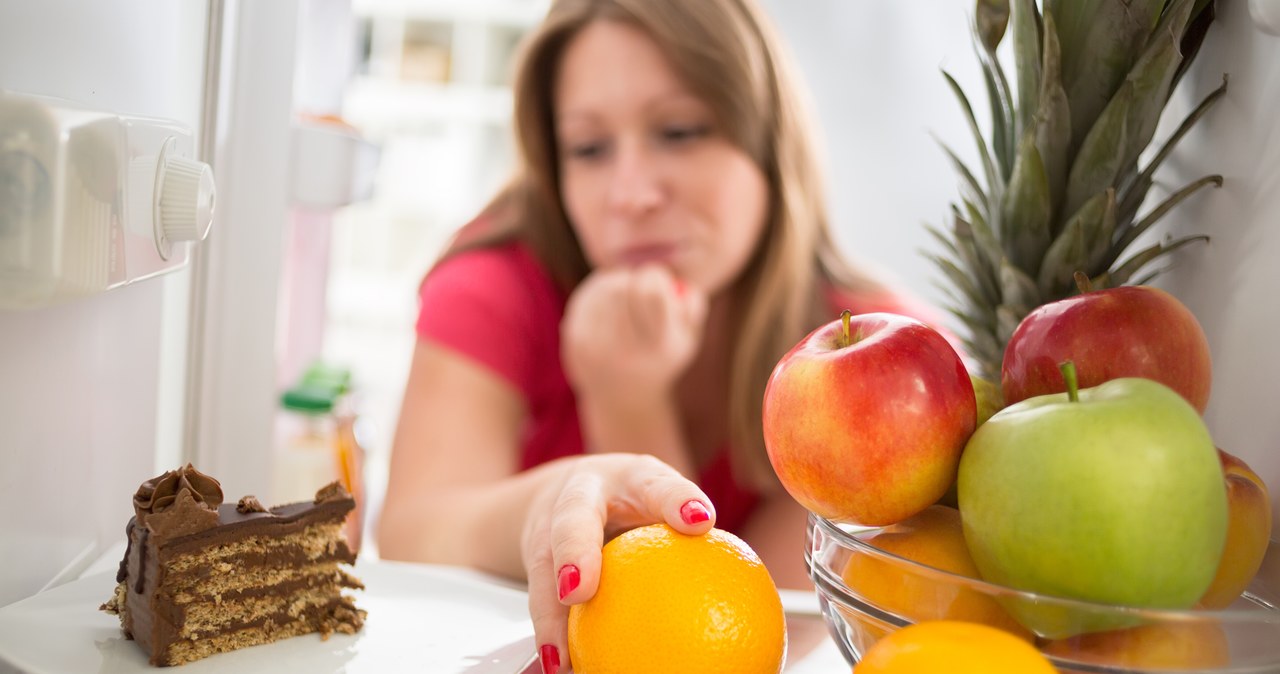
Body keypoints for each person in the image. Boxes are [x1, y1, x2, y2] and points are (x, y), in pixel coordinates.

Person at [376, 0, 938, 671]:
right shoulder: (494, 284)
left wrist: (626, 400)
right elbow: (413, 533)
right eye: (588, 148)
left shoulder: (878, 368)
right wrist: (542, 510)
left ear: (766, 139)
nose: (632, 193)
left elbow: (742, 638)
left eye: (679, 132)